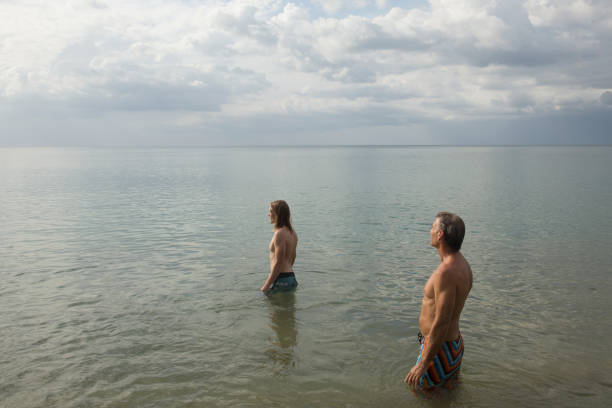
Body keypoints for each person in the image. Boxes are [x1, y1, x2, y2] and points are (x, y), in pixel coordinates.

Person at [405, 212, 472, 390]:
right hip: (452, 344)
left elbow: (442, 321)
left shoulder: (445, 273)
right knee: (446, 396)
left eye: (433, 227)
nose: (430, 231)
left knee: (419, 393)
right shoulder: (463, 264)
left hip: (439, 350)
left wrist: (423, 363)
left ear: (440, 234)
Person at [261, 200, 298, 293]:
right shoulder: (292, 233)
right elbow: (292, 258)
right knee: (288, 307)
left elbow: (279, 262)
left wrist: (266, 285)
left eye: (271, 212)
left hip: (281, 279)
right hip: (291, 277)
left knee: (273, 306)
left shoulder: (279, 233)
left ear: (278, 214)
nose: (268, 215)